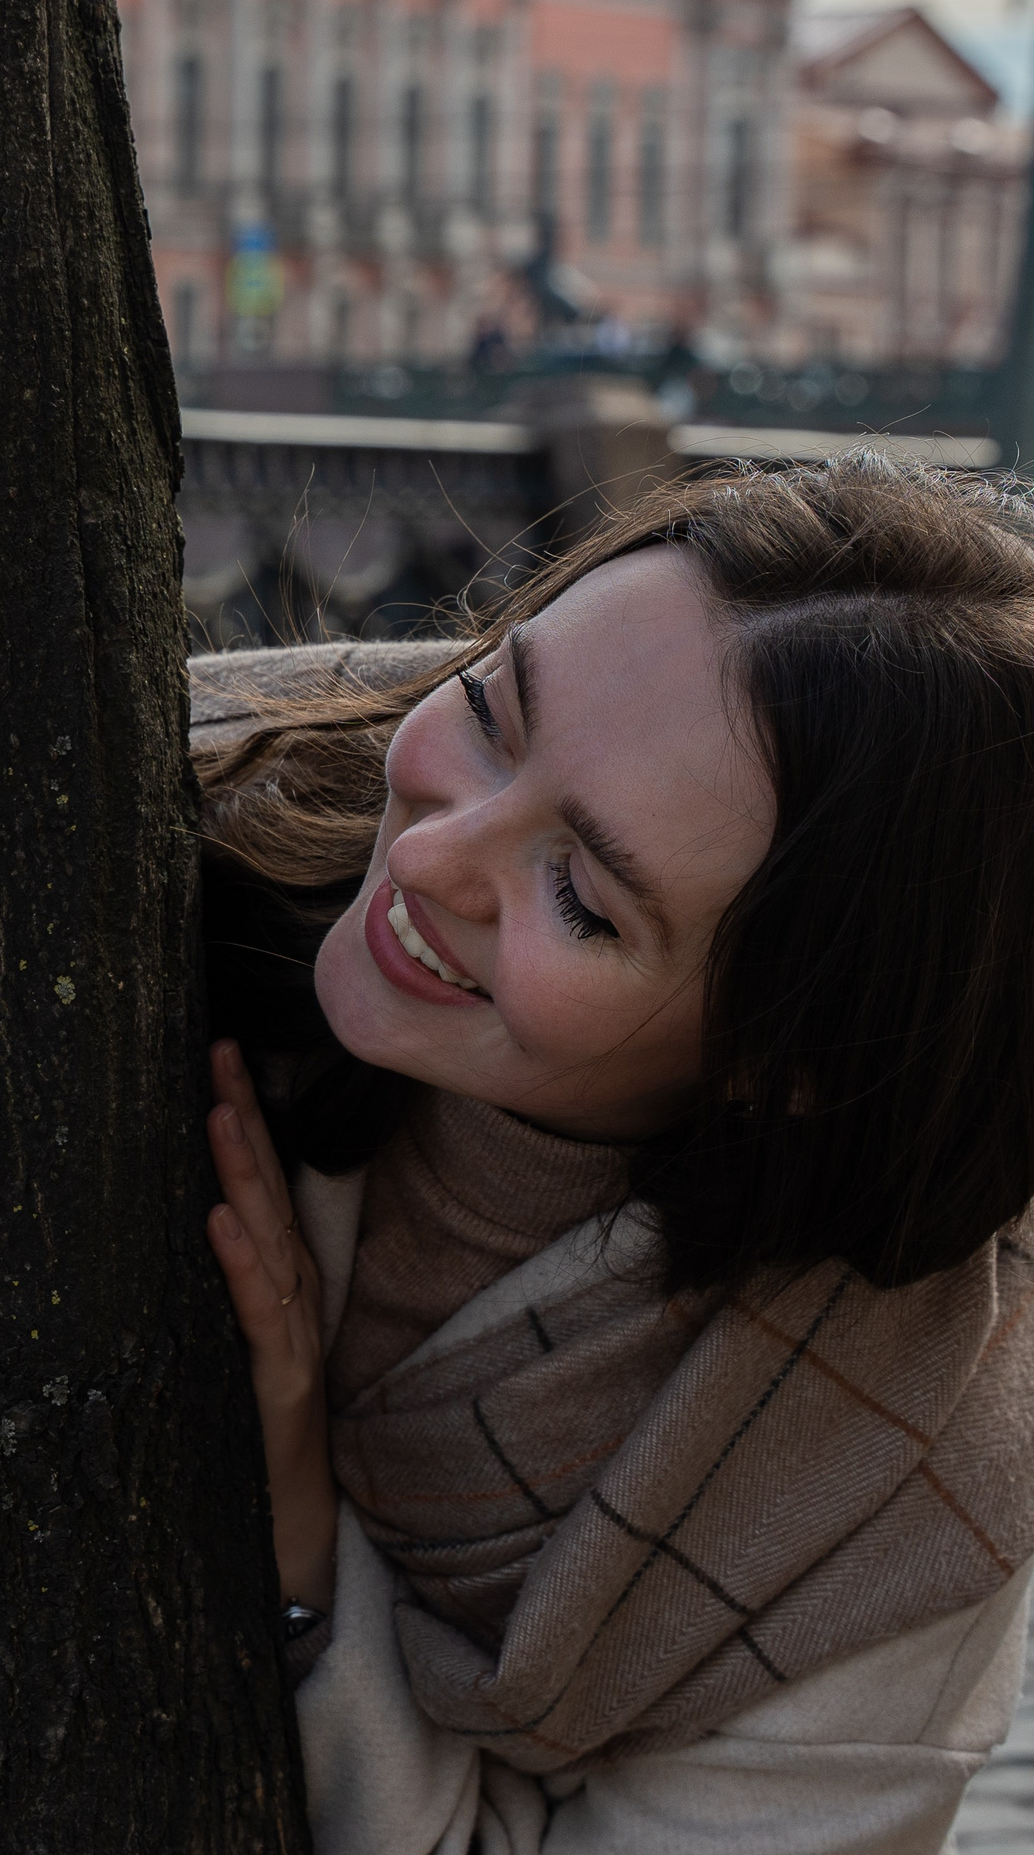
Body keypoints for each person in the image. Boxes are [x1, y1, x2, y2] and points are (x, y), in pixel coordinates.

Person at [196, 453, 1034, 1853]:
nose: (430, 857)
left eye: (580, 897)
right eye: (491, 710)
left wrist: (289, 1526)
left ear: (787, 1067)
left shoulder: (894, 1509)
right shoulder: (183, 803)